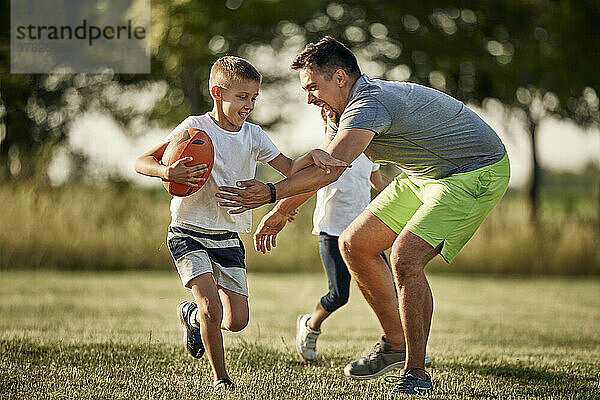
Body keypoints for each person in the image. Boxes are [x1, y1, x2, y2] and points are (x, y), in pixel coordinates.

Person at [216, 37, 510, 395]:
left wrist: (272, 194)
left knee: (406, 257)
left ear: (340, 78)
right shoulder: (338, 113)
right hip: (426, 175)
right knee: (355, 243)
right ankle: (394, 342)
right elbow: (326, 163)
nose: (308, 97)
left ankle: (416, 372)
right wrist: (280, 211)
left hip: (474, 171)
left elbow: (330, 172)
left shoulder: (368, 104)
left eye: (312, 87)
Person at [134, 56, 348, 392]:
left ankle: (190, 317)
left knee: (237, 321)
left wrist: (315, 154)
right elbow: (142, 160)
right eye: (242, 97)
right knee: (212, 308)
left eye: (253, 98)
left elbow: (289, 168)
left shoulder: (254, 136)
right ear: (218, 93)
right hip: (188, 231)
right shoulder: (194, 128)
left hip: (228, 236)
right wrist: (166, 172)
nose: (248, 105)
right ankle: (221, 378)